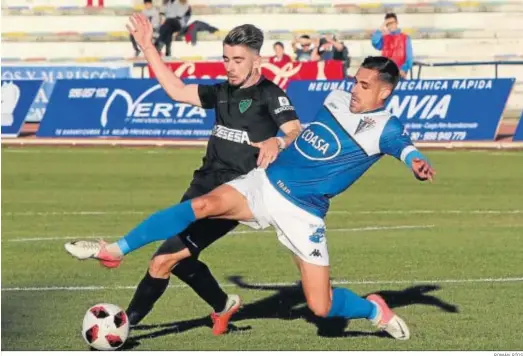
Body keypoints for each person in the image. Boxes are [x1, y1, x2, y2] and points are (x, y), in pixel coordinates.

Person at [65, 55, 435, 339]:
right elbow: (305, 134)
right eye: (356, 81)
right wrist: (278, 140)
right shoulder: (337, 97)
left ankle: (374, 312)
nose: (355, 89)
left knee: (321, 308)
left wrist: (416, 161)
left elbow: (406, 149)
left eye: (365, 85)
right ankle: (115, 249)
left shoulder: (386, 128)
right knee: (202, 205)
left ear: (384, 92)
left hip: (303, 214)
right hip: (264, 183)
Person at [65, 15, 302, 335]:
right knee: (180, 260)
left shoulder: (270, 94)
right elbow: (176, 90)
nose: (230, 67)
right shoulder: (220, 91)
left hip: (235, 193)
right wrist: (148, 47)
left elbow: (294, 130)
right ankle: (223, 305)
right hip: (203, 183)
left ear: (257, 60)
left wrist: (278, 140)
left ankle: (123, 326)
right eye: (226, 59)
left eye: (238, 60)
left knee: (162, 261)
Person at [371, 13, 413, 79]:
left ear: (397, 23)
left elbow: (409, 58)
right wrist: (381, 27)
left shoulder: (405, 38)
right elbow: (375, 42)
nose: (390, 26)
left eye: (392, 23)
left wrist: (402, 69)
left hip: (400, 74)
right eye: (388, 24)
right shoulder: (384, 38)